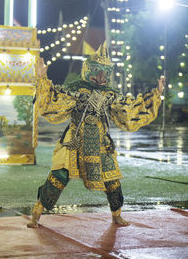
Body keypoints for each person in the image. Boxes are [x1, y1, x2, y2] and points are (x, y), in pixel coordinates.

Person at [27, 43, 165, 228]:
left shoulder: (111, 95)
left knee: (112, 180)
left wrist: (156, 95)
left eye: (105, 72)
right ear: (87, 69)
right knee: (59, 176)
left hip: (101, 142)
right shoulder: (76, 90)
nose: (101, 76)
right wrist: (42, 78)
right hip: (75, 140)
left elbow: (130, 109)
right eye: (96, 70)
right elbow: (53, 101)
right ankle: (37, 212)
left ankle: (116, 215)